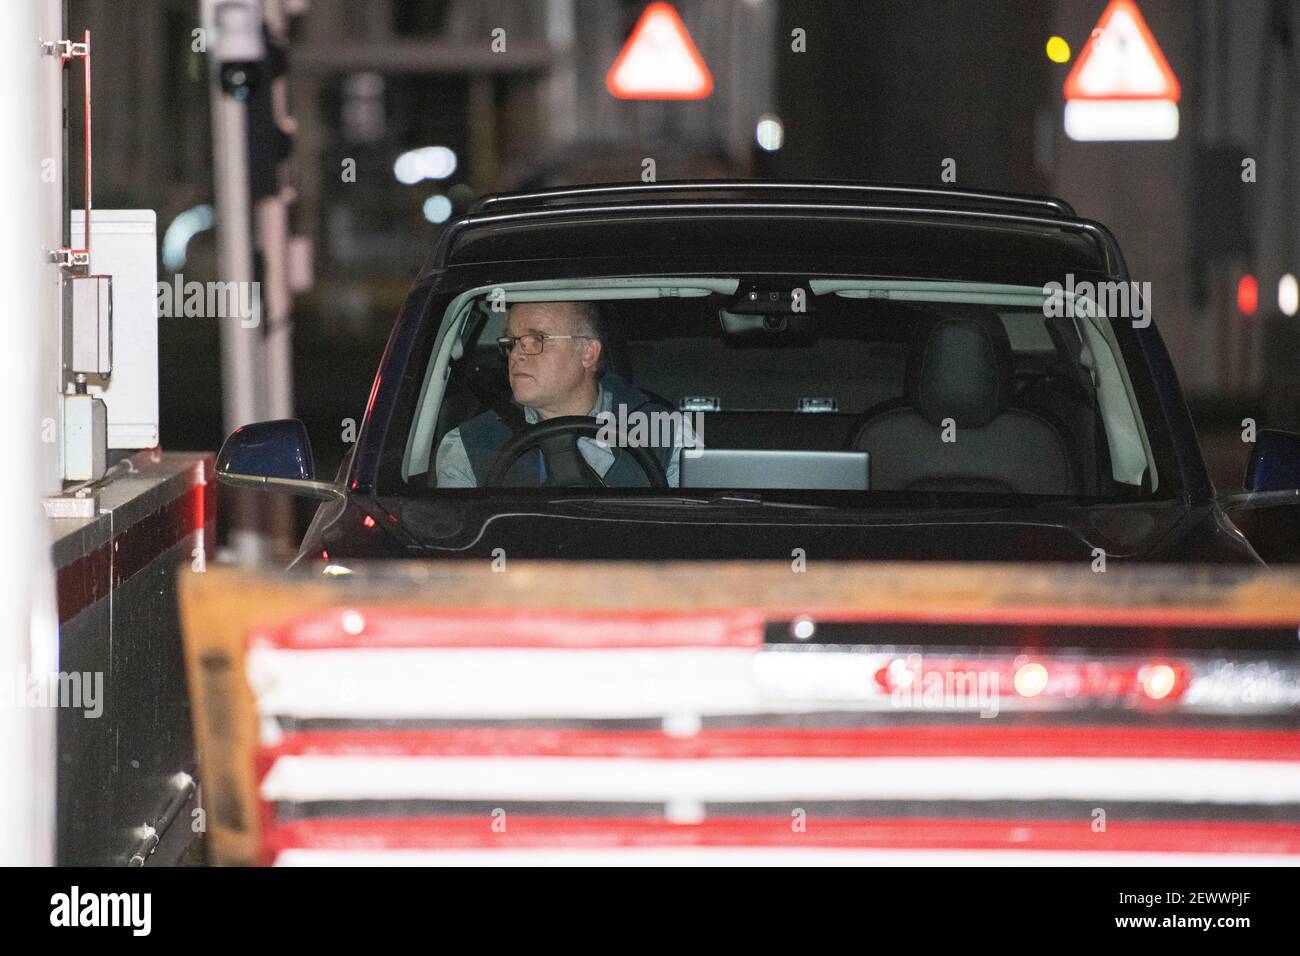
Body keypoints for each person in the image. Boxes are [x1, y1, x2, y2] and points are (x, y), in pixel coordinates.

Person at [435, 300, 681, 487]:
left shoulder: (666, 433)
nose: (516, 354)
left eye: (537, 339)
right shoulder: (467, 444)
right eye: (512, 341)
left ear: (588, 352)